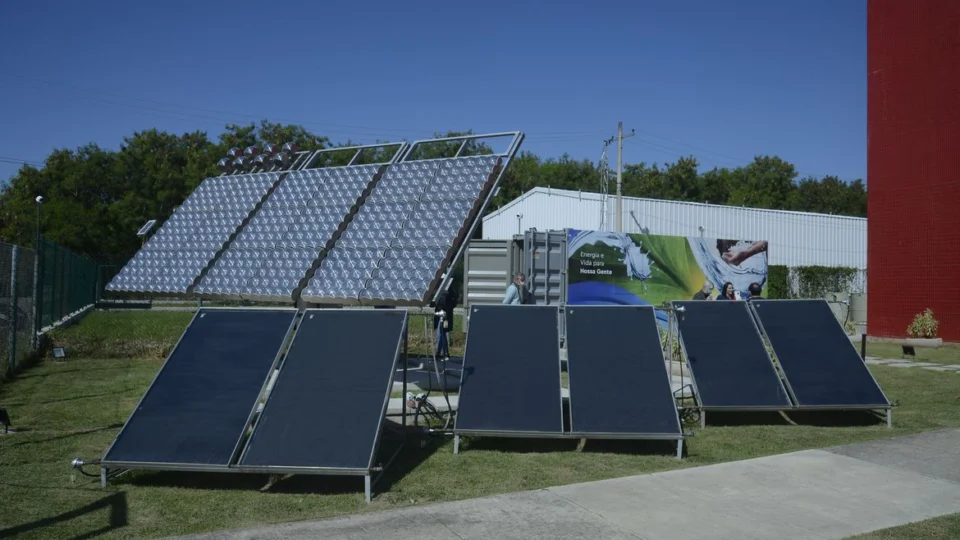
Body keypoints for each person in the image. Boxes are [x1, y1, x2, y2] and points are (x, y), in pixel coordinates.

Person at [433, 284, 457, 362]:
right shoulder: (445, 291)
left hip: (444, 316)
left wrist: (442, 306)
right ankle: (443, 353)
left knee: (441, 334)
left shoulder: (447, 292)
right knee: (441, 334)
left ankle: (440, 354)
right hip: (443, 316)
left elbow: (448, 303)